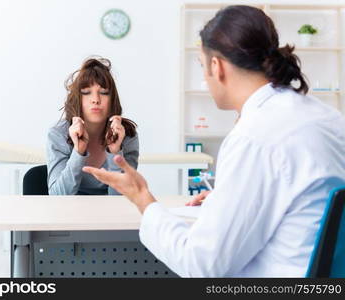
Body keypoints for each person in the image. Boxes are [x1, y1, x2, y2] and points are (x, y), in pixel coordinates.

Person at [83, 5, 345, 277]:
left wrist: (142, 198)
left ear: (216, 67)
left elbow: (202, 267)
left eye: (202, 66)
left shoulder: (254, 136)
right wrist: (228, 198)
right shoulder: (327, 116)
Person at [47, 57, 139, 195]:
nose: (96, 100)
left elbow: (122, 199)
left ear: (112, 99)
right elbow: (58, 196)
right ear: (78, 98)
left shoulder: (126, 135)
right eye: (86, 93)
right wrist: (78, 152)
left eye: (103, 93)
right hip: (70, 212)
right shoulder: (58, 133)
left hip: (112, 214)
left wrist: (115, 153)